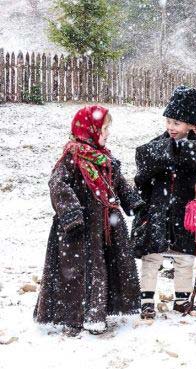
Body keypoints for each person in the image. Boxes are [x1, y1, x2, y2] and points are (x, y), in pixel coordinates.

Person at [34, 105, 143, 336]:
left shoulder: (105, 159)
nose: (107, 133)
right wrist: (72, 213)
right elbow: (57, 185)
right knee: (76, 273)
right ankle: (74, 317)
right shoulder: (72, 157)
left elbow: (119, 182)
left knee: (103, 268)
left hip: (104, 226)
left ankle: (97, 314)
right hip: (79, 229)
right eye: (104, 128)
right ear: (90, 130)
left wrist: (133, 202)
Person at [132, 86, 196, 319]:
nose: (172, 127)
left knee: (185, 256)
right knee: (152, 256)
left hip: (187, 212)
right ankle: (146, 300)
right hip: (158, 209)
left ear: (191, 125)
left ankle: (182, 300)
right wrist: (168, 156)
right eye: (169, 121)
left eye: (178, 123)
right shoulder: (154, 147)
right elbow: (142, 171)